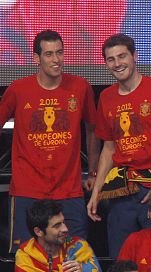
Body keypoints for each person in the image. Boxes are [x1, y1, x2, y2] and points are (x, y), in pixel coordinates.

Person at [87, 33, 151, 258]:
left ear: (135, 56)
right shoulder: (106, 97)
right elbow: (109, 149)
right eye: (111, 59)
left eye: (122, 56)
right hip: (122, 190)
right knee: (122, 263)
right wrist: (97, 190)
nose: (117, 63)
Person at [0, 29, 98, 252]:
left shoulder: (80, 87)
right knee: (25, 261)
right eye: (49, 54)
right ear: (36, 58)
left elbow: (93, 130)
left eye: (60, 53)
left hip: (69, 190)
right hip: (27, 191)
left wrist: (92, 171)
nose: (56, 60)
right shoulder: (18, 89)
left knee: (76, 258)